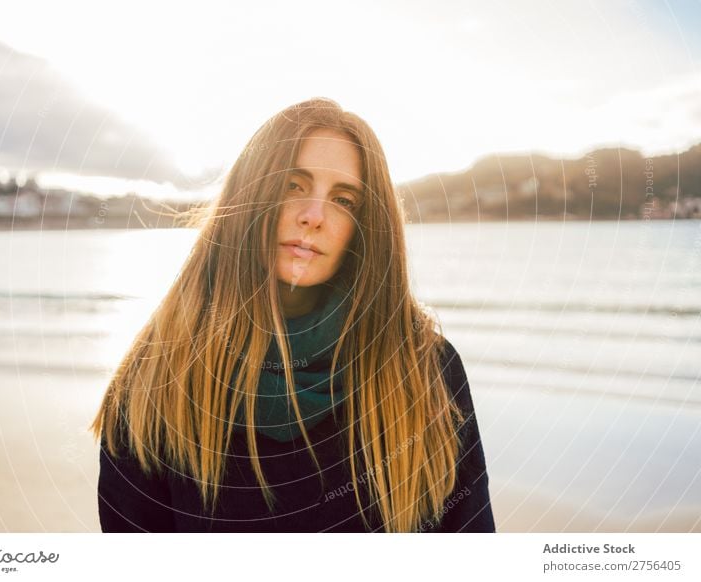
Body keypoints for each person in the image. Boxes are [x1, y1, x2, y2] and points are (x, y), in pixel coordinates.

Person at [90, 97, 495, 533]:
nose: (314, 217)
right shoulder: (159, 374)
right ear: (250, 194)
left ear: (365, 227)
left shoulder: (423, 368)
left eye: (344, 199)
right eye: (293, 186)